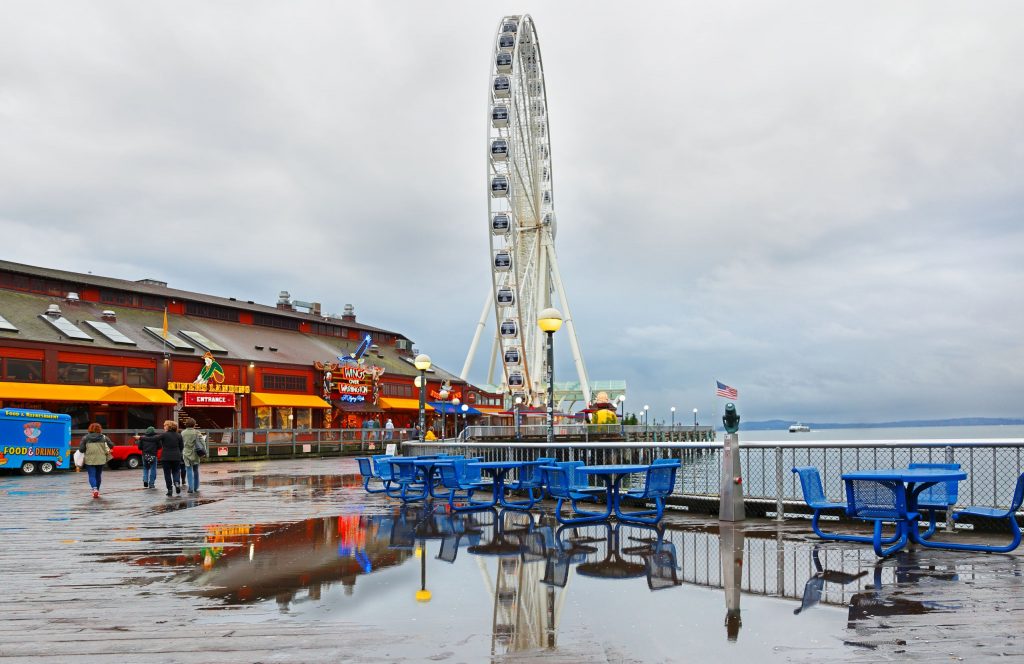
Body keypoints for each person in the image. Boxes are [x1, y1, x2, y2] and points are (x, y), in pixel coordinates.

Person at [79, 423, 113, 499]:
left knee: (92, 475)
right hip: (101, 459)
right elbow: (112, 445)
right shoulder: (104, 437)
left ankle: (94, 489)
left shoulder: (85, 438)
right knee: (98, 475)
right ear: (99, 429)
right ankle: (97, 490)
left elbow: (81, 449)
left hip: (89, 459)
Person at [156, 420, 184, 497]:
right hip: (176, 456)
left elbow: (153, 439)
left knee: (167, 473)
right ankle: (177, 483)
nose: (164, 427)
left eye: (165, 425)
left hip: (166, 457)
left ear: (169, 426)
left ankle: (170, 490)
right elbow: (181, 447)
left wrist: (141, 437)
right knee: (176, 471)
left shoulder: (164, 435)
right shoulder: (179, 435)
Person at [181, 418, 203, 494]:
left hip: (186, 452)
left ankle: (190, 487)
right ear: (194, 424)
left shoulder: (183, 433)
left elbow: (181, 443)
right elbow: (202, 442)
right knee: (195, 470)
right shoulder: (197, 432)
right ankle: (196, 487)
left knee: (188, 469)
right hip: (195, 453)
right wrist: (204, 452)